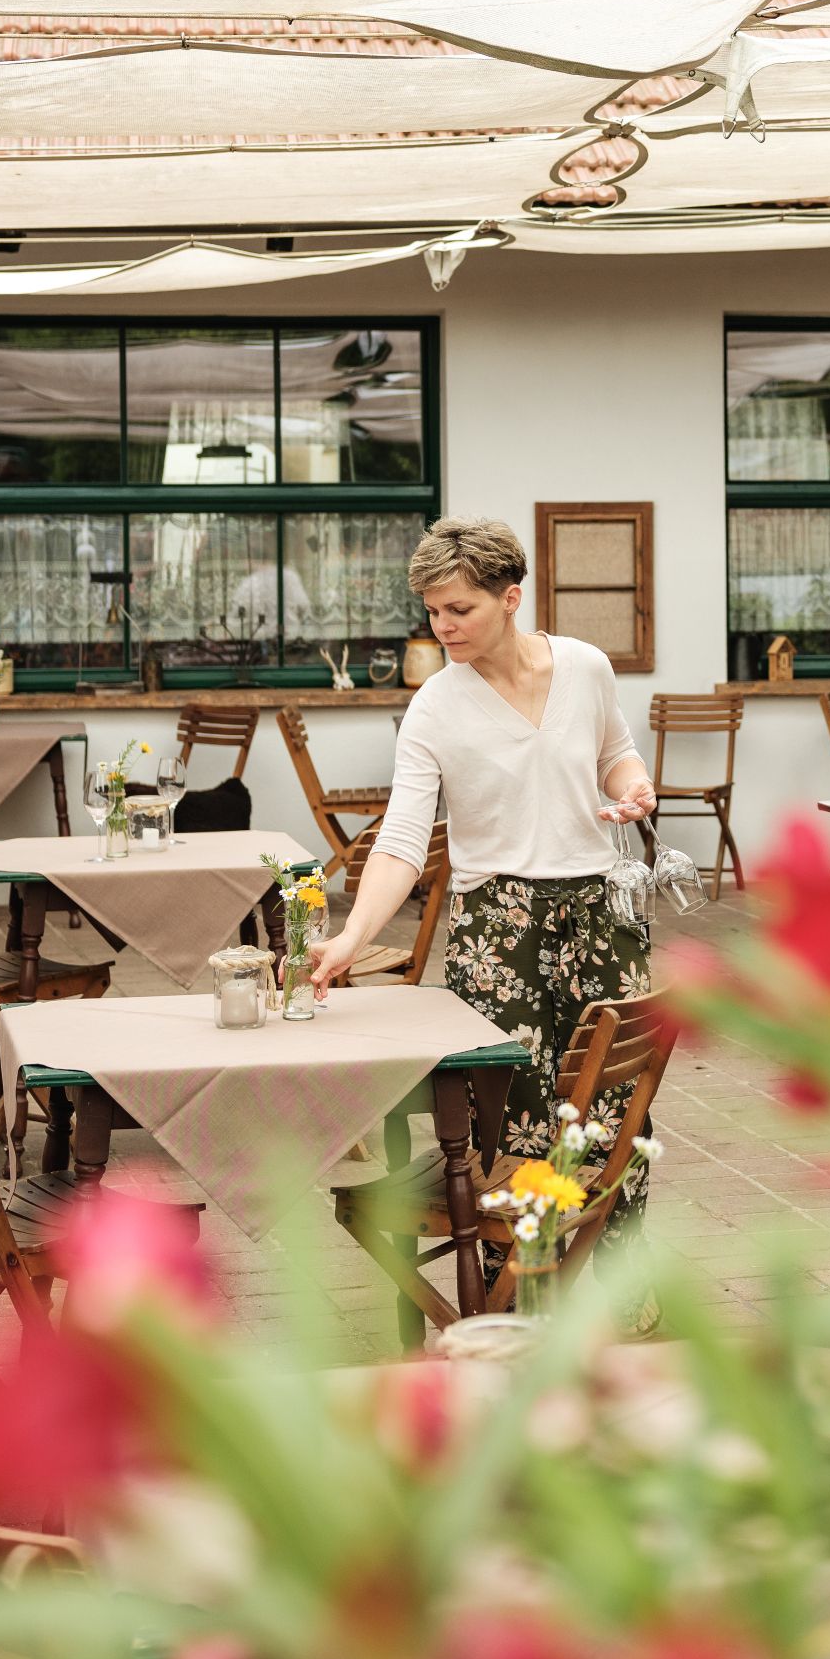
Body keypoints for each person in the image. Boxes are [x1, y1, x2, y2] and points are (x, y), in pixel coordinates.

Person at [307, 516, 659, 1218]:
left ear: (510, 597)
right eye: (433, 611)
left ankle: (622, 1275)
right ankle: (528, 1294)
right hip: (498, 930)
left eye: (459, 609)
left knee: (617, 1107)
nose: (443, 626)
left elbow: (615, 754)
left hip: (598, 915)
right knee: (515, 1121)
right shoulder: (433, 708)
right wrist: (350, 938)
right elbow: (403, 840)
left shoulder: (587, 667)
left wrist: (632, 789)